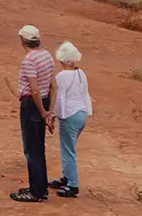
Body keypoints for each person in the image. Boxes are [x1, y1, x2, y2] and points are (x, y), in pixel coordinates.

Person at [10, 24, 56, 203]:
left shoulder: (29, 60)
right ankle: (40, 188)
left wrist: (43, 113)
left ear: (23, 40)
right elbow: (53, 86)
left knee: (31, 149)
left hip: (32, 104)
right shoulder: (47, 56)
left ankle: (35, 193)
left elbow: (34, 90)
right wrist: (49, 110)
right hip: (43, 102)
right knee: (39, 147)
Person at [49, 41, 92, 198]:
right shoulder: (81, 73)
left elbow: (60, 98)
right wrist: (89, 110)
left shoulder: (62, 76)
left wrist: (55, 115)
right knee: (69, 148)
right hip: (81, 114)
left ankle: (72, 185)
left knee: (68, 150)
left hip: (69, 115)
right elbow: (85, 93)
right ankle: (66, 178)